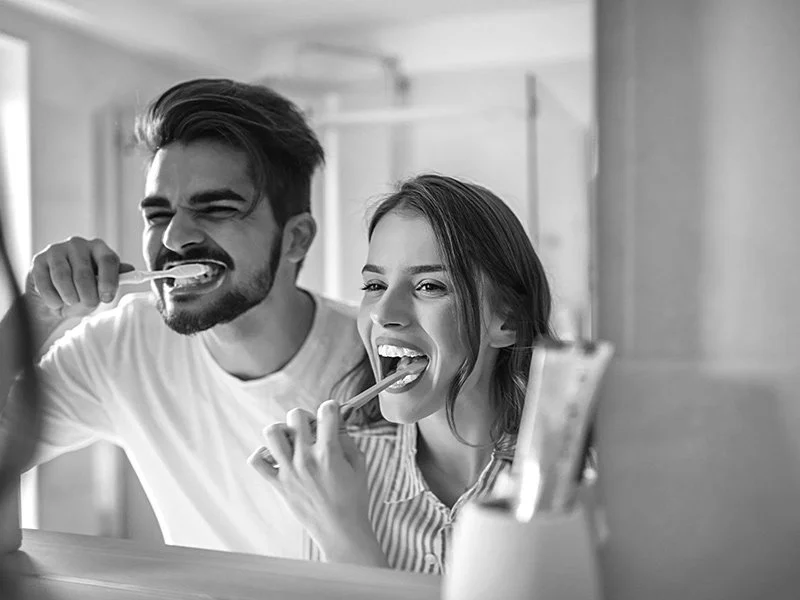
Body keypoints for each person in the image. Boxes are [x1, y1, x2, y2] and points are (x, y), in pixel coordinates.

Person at [0, 78, 365, 558]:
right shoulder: (123, 342)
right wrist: (35, 314)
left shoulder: (376, 360)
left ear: (295, 239)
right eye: (157, 214)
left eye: (215, 209)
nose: (174, 238)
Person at [249, 174, 555, 573]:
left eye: (429, 286)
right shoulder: (328, 480)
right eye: (374, 284)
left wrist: (347, 541)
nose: (382, 313)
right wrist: (336, 527)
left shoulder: (570, 481)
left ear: (508, 320)